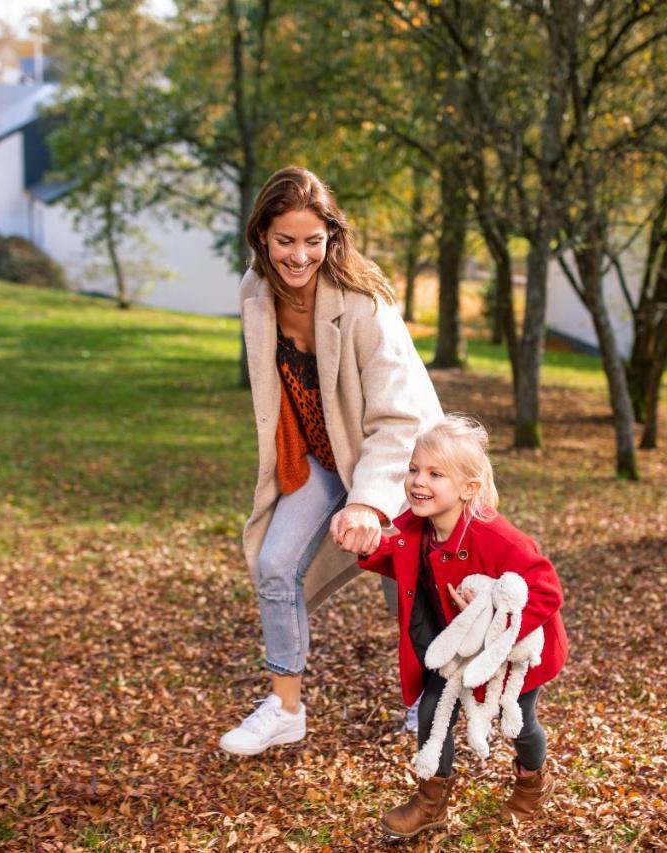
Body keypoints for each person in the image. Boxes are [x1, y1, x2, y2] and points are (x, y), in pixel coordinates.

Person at [219, 167, 443, 757]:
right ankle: (285, 709)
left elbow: (399, 420)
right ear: (262, 237)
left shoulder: (365, 306)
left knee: (410, 586)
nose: (299, 256)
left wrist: (369, 501)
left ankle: (432, 699)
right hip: (322, 457)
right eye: (285, 240)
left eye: (313, 241)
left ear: (332, 237)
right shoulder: (255, 292)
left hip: (398, 463)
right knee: (273, 562)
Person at [358, 416, 568, 838]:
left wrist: (495, 622)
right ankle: (430, 802)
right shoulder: (418, 526)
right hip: (455, 647)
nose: (419, 481)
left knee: (519, 722)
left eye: (436, 474)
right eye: (415, 469)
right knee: (433, 711)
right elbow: (396, 556)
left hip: (511, 656)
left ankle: (533, 780)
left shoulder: (499, 537)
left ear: (468, 489)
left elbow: (547, 590)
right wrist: (364, 544)